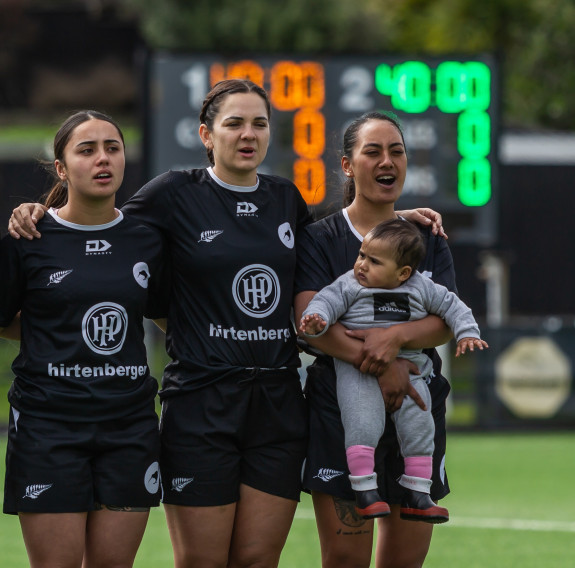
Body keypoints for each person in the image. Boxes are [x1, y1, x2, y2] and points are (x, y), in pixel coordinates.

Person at [8, 82, 445, 568]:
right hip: (200, 401)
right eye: (234, 123)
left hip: (276, 404)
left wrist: (390, 218)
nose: (248, 134)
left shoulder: (284, 198)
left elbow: (337, 238)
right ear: (206, 134)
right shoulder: (174, 193)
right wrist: (40, 214)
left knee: (258, 559)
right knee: (202, 561)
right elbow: (101, 228)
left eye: (259, 123)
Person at [294, 110, 461, 568]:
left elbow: (444, 320)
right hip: (340, 408)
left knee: (405, 561)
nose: (387, 161)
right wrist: (383, 364)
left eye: (397, 151)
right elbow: (310, 322)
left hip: (419, 400)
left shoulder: (427, 236)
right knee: (346, 558)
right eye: (373, 151)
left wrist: (396, 337)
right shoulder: (320, 238)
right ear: (347, 165)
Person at [0, 110, 164, 568]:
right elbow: (6, 320)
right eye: (87, 150)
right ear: (61, 167)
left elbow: (171, 317)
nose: (102, 159)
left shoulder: (146, 239)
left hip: (129, 426)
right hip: (49, 427)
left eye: (112, 148)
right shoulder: (27, 235)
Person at [299, 218, 488, 524]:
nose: (361, 264)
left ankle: (418, 492)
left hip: (411, 368)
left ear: (403, 273)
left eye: (374, 261)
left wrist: (467, 331)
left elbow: (453, 306)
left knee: (419, 424)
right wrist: (316, 317)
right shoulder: (349, 284)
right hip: (356, 368)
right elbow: (325, 301)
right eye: (362, 255)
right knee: (362, 420)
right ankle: (364, 489)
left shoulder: (421, 287)